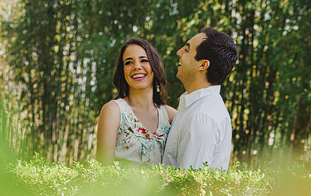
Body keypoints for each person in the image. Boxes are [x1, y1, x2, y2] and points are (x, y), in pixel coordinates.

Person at [162, 27, 238, 170]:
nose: (179, 52)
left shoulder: (201, 117)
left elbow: (189, 186)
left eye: (186, 50)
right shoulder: (197, 107)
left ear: (203, 65)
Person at [96, 37, 177, 165]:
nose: (136, 67)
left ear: (154, 67)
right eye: (128, 62)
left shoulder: (171, 116)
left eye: (144, 60)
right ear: (122, 72)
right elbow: (102, 170)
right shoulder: (114, 111)